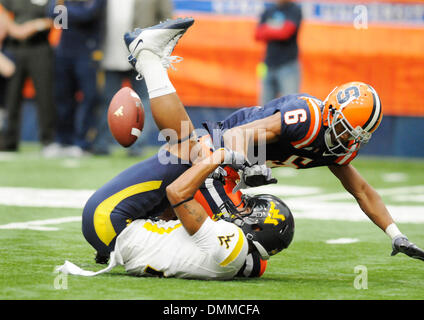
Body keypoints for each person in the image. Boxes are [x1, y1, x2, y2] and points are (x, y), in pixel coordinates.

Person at [123, 18, 424, 262]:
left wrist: (395, 234)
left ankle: (142, 238)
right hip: (218, 150)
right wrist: (248, 166)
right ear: (331, 113)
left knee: (196, 224)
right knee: (233, 240)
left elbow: (362, 190)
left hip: (231, 168)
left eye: (355, 137)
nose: (346, 140)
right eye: (344, 130)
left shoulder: (338, 147)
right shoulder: (306, 117)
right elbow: (238, 135)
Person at [57, 147, 294, 280]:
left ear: (258, 227)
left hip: (108, 221)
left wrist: (221, 156)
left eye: (247, 207)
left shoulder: (232, 244)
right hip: (121, 240)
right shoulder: (247, 264)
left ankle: (152, 67)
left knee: (182, 154)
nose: (241, 203)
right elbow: (173, 217)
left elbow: (177, 192)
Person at [92, 0, 173, 156]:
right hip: (110, 54)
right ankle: (102, 144)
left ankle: (138, 146)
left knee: (144, 102)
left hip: (143, 55)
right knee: (107, 101)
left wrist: (157, 48)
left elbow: (167, 18)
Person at [48, 0, 106, 157]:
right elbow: (52, 13)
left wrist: (66, 11)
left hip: (88, 52)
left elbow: (88, 15)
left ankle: (83, 143)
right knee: (63, 98)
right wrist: (73, 11)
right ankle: (63, 140)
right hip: (64, 51)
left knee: (89, 98)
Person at [0, 0, 56, 155]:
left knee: (45, 95)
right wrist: (16, 29)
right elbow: (3, 13)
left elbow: (61, 20)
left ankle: (48, 140)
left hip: (40, 46)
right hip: (14, 47)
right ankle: (9, 141)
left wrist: (37, 25)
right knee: (12, 96)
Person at [255, 0, 302, 106]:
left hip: (288, 66)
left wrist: (267, 29)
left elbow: (286, 32)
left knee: (291, 106)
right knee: (263, 109)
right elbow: (257, 34)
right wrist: (278, 29)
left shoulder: (294, 10)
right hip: (268, 65)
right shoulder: (269, 10)